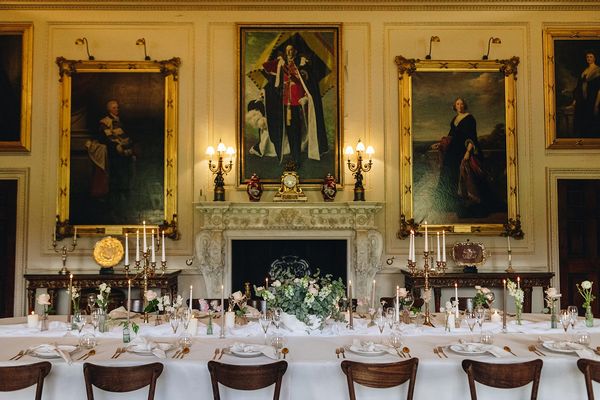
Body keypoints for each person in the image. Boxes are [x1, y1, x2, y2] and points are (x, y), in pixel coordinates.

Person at [261, 41, 328, 166]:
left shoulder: (301, 66)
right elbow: (272, 81)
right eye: (287, 51)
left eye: (291, 50)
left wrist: (304, 96)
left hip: (297, 106)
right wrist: (265, 91)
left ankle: (296, 157)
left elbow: (307, 84)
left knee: (297, 132)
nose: (289, 53)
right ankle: (291, 155)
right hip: (285, 105)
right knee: (287, 132)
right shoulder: (281, 66)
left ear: (295, 52)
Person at [433, 97, 491, 218]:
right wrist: (440, 144)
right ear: (455, 106)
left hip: (463, 150)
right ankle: (448, 203)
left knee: (463, 176)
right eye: (458, 104)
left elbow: (472, 136)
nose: (460, 106)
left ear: (465, 105)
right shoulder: (454, 119)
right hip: (452, 151)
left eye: (462, 104)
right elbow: (451, 136)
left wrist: (468, 152)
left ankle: (466, 206)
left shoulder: (470, 119)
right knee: (448, 173)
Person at [86, 100, 136, 215]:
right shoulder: (105, 122)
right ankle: (114, 203)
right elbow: (108, 139)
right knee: (115, 176)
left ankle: (123, 199)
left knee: (125, 174)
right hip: (113, 153)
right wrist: (119, 146)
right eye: (114, 108)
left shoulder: (120, 121)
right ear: (109, 109)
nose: (117, 109)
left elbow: (125, 137)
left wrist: (126, 145)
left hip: (122, 151)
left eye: (117, 107)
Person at [571, 51, 600, 137]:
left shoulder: (598, 70)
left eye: (591, 57)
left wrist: (597, 105)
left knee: (592, 123)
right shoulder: (584, 71)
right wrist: (575, 100)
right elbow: (579, 87)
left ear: (594, 58)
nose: (589, 58)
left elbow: (599, 89)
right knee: (583, 124)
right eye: (587, 57)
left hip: (593, 100)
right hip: (583, 101)